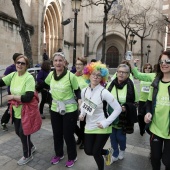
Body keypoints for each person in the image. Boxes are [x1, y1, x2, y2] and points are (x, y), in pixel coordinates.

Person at [36, 52, 81, 168]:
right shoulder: (51, 75)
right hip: (55, 108)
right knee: (57, 133)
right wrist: (33, 89)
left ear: (65, 62)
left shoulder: (71, 76)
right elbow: (43, 85)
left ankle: (72, 156)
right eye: (55, 61)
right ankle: (59, 154)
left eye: (60, 60)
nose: (58, 63)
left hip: (70, 109)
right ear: (53, 62)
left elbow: (77, 90)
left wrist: (80, 100)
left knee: (68, 134)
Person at [79, 61, 122, 170]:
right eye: (93, 74)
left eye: (99, 75)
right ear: (89, 75)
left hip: (103, 126)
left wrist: (106, 122)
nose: (96, 77)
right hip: (89, 125)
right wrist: (82, 114)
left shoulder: (104, 92)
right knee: (88, 151)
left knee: (95, 152)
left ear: (102, 78)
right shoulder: (84, 91)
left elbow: (118, 109)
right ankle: (107, 152)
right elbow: (85, 106)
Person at [0, 55, 36, 165]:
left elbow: (28, 97)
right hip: (16, 110)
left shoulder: (29, 78)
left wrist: (13, 97)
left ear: (26, 66)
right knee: (17, 131)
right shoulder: (13, 75)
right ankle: (31, 146)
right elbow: (1, 82)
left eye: (22, 63)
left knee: (23, 132)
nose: (19, 65)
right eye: (18, 62)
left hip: (26, 111)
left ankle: (27, 155)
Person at [106, 64, 138, 163]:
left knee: (120, 136)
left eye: (124, 72)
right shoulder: (111, 83)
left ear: (128, 74)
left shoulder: (131, 85)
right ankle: (115, 153)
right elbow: (104, 96)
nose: (121, 74)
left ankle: (122, 149)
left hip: (123, 116)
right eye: (119, 71)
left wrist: (126, 107)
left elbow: (135, 103)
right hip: (111, 115)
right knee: (112, 136)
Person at [144, 51, 170, 170]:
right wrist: (148, 112)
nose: (164, 64)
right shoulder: (155, 83)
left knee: (167, 161)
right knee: (155, 158)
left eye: (167, 61)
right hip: (155, 128)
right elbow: (149, 102)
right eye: (161, 61)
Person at [1, 53, 22, 131]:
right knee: (10, 107)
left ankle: (18, 121)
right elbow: (4, 78)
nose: (20, 64)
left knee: (16, 107)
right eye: (19, 60)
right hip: (12, 92)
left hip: (20, 92)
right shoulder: (10, 68)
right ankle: (3, 122)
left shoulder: (21, 67)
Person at [74, 57, 88, 149]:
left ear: (84, 66)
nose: (78, 66)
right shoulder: (73, 76)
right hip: (74, 103)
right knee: (73, 123)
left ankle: (84, 140)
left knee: (83, 123)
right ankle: (80, 136)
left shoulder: (88, 77)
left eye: (80, 64)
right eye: (77, 64)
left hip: (86, 103)